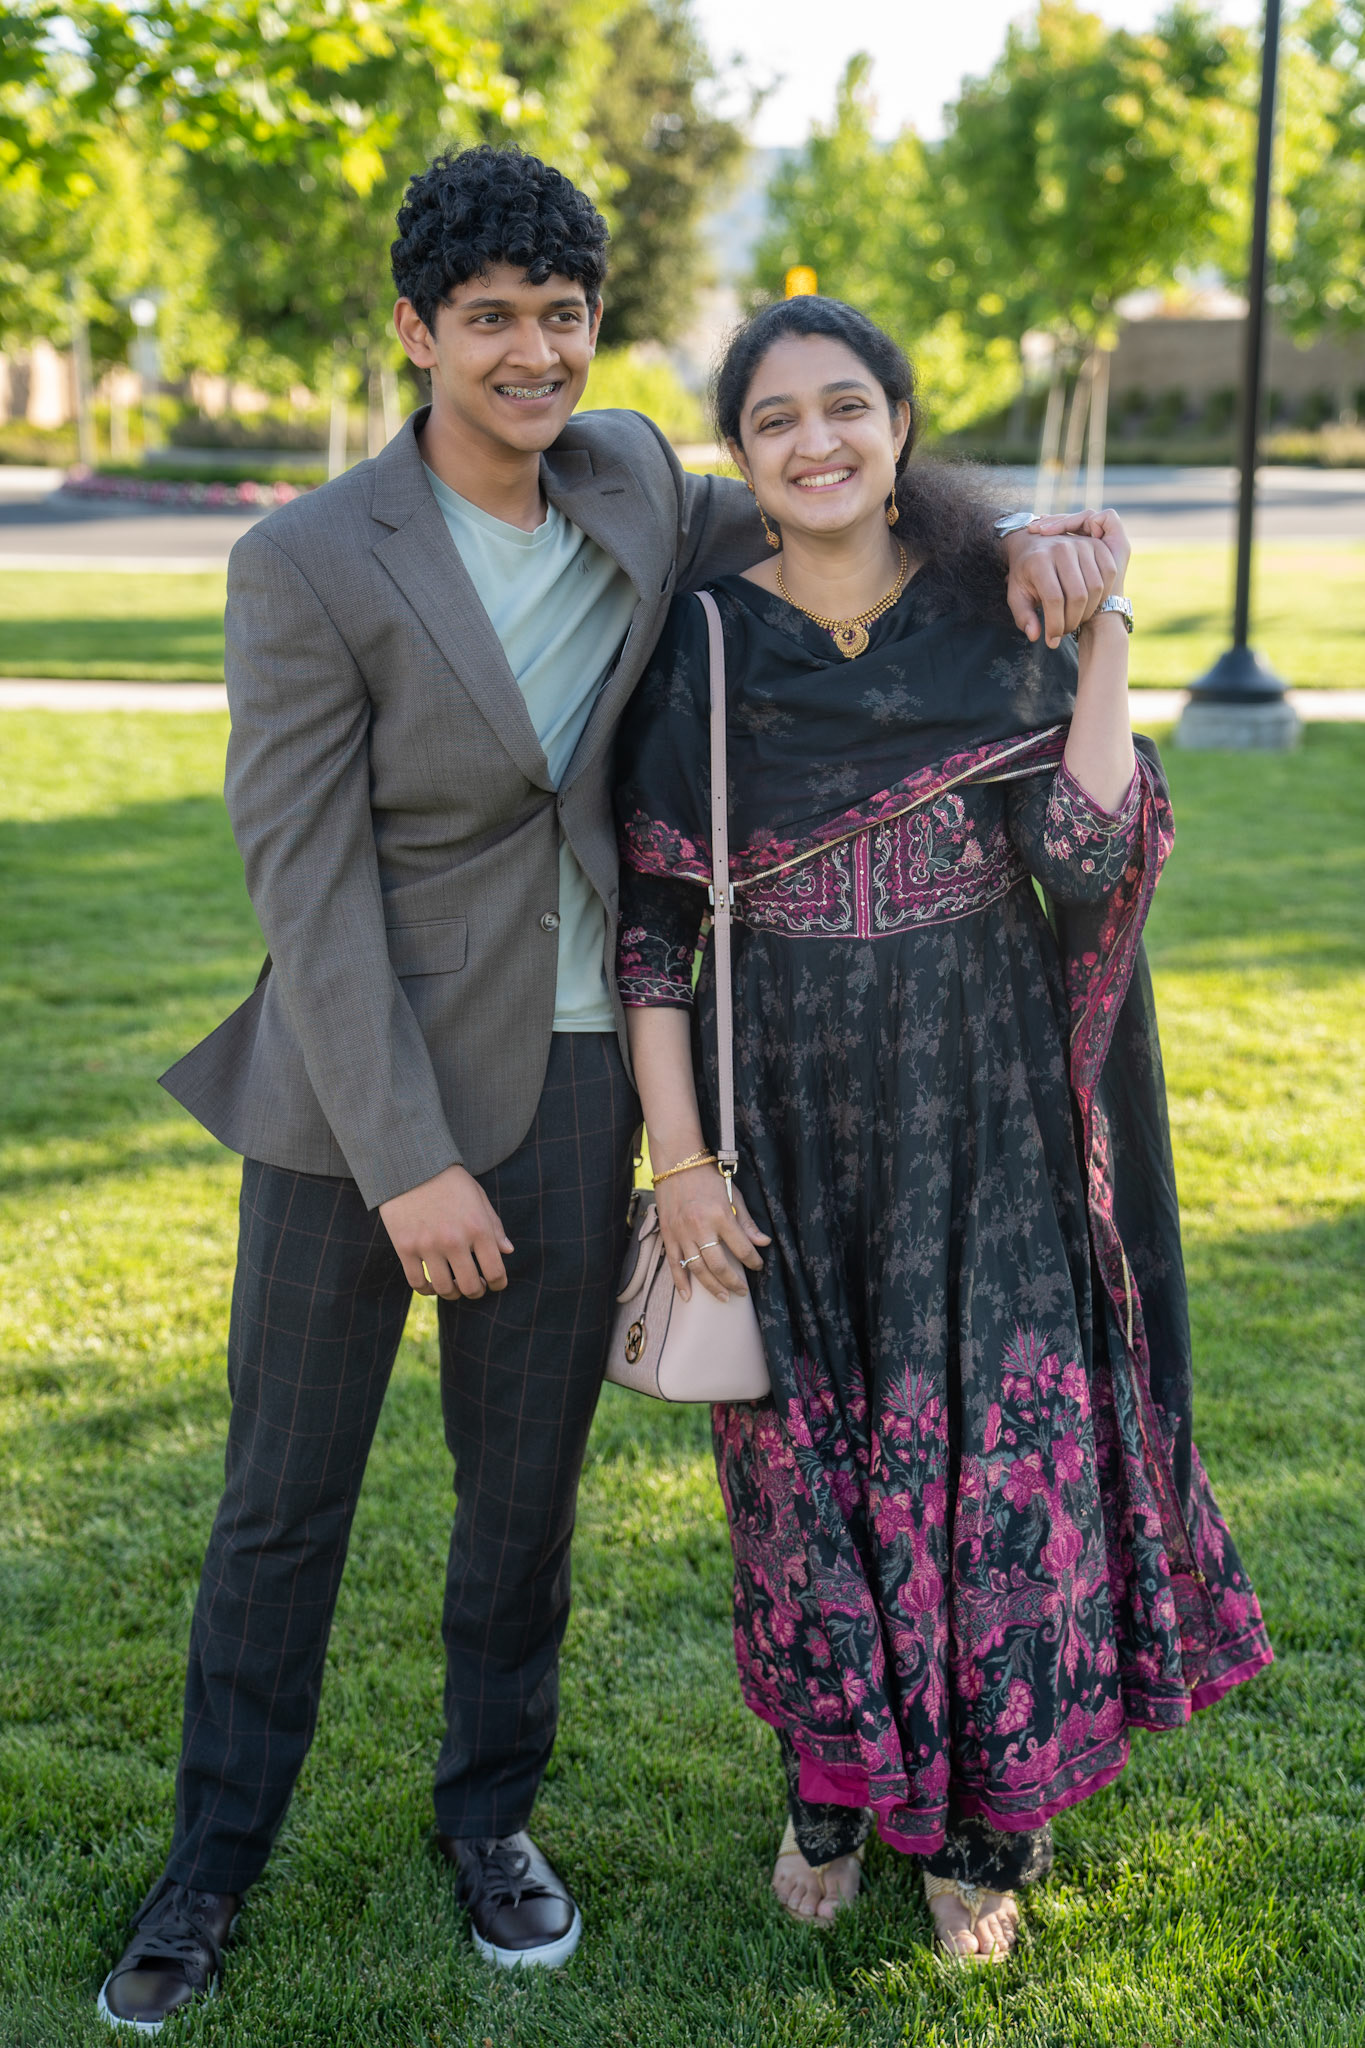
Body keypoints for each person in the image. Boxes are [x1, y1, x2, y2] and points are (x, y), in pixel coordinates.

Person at [94, 142, 1114, 2031]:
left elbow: (840, 497)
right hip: (348, 1105)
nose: (533, 355)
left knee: (521, 1506)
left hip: (580, 1083)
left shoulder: (636, 477)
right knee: (282, 1501)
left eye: (561, 317)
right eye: (489, 320)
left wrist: (1031, 541)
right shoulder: (304, 559)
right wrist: (405, 1163)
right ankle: (208, 1867)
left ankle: (489, 1823)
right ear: (417, 332)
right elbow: (305, 890)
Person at [615, 295, 1272, 1961]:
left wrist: (1102, 631)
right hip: (788, 1138)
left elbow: (1086, 854)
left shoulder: (998, 614)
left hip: (986, 1127)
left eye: (846, 406)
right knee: (808, 1483)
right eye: (775, 420)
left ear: (899, 426)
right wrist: (679, 1164)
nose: (816, 442)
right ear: (739, 457)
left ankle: (981, 1825)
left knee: (996, 1478)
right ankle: (827, 1791)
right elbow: (653, 938)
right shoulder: (704, 650)